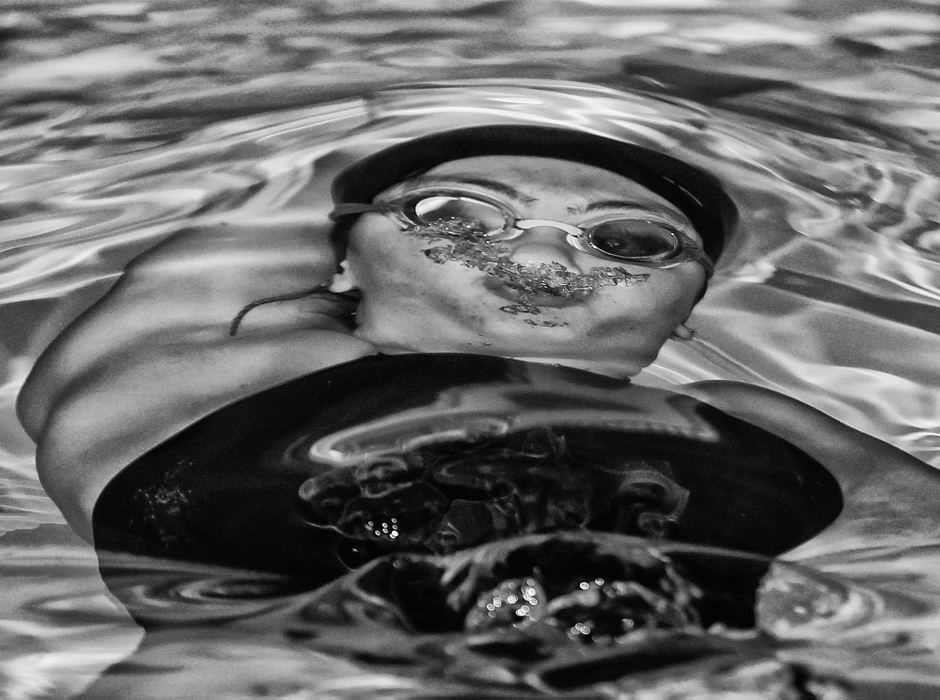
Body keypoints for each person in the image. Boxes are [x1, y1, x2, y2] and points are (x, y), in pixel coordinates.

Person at [16, 124, 940, 577]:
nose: (539, 255)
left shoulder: (765, 423)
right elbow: (295, 150)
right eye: (457, 215)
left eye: (628, 241)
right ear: (342, 254)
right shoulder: (211, 364)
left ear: (689, 314)